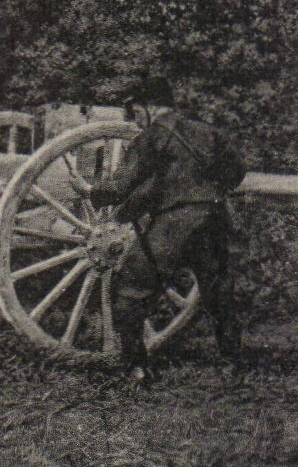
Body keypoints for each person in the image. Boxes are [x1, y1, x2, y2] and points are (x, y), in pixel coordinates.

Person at [83, 76, 245, 386]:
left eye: (134, 111)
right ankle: (232, 366)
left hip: (174, 225)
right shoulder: (206, 131)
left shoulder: (153, 137)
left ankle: (137, 369)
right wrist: (210, 191)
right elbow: (237, 169)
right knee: (219, 293)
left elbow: (118, 187)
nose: (134, 119)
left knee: (130, 290)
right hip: (213, 219)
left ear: (147, 107)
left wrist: (91, 190)